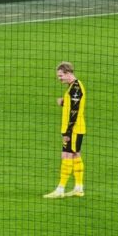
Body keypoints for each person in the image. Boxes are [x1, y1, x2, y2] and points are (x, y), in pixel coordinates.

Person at [44, 62, 87, 199]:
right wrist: (64, 102)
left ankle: (60, 190)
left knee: (66, 156)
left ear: (68, 73)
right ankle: (78, 188)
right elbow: (73, 106)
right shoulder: (73, 87)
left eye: (61, 75)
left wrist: (67, 133)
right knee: (75, 155)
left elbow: (74, 112)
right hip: (77, 128)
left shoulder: (75, 88)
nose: (59, 78)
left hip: (73, 129)